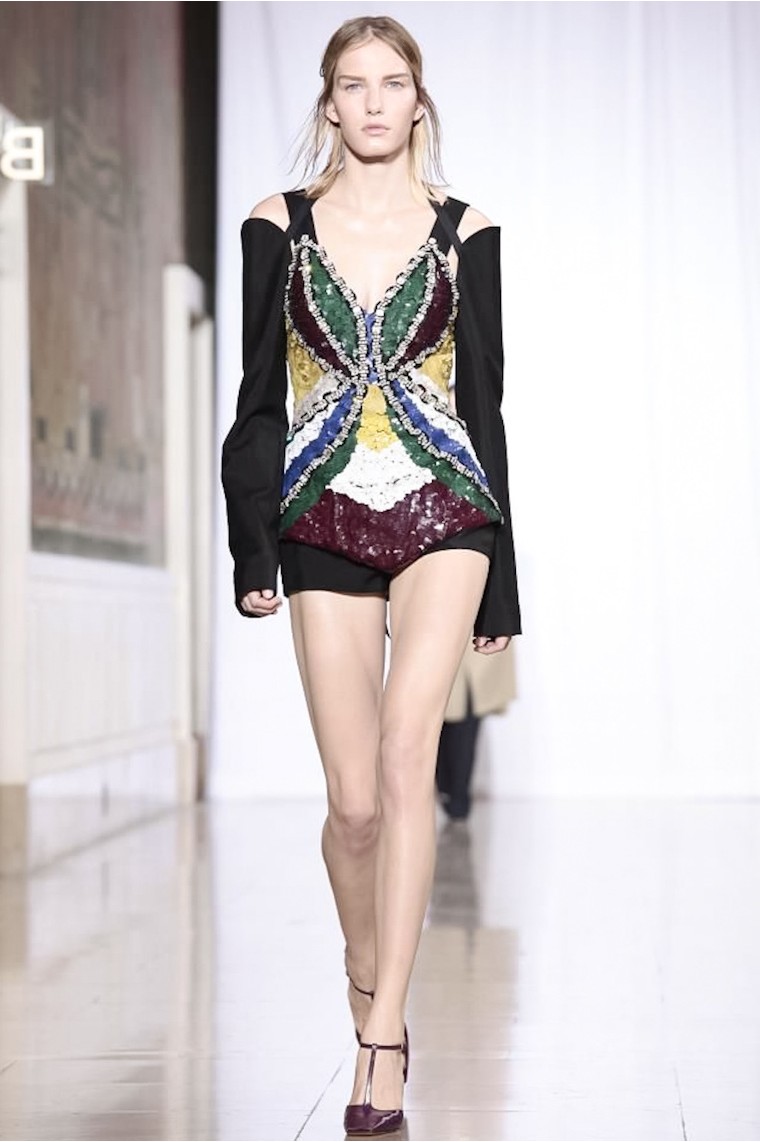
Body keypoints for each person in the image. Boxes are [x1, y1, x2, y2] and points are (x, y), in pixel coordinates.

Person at [221, 15, 521, 1136]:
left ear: (418, 99)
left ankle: (382, 1033)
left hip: (447, 504)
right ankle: (365, 960)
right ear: (329, 103)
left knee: (406, 758)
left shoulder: (466, 231)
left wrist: (504, 581)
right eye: (354, 85)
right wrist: (253, 541)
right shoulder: (279, 224)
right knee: (351, 804)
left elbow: (485, 404)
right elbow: (259, 397)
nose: (376, 102)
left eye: (393, 83)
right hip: (318, 507)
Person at [436, 644, 514, 821]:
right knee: (448, 720)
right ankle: (452, 797)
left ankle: (455, 799)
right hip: (448, 648)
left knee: (461, 721)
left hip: (478, 646)